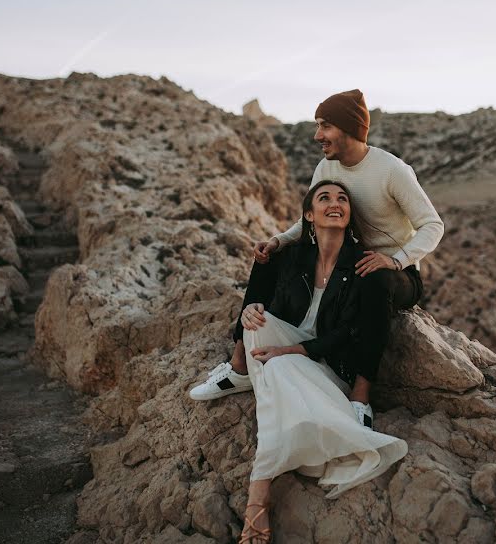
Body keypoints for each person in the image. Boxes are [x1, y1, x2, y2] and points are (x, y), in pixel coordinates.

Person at [190, 89, 444, 430]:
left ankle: (360, 395)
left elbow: (432, 225)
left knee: (374, 281)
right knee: (271, 258)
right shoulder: (326, 167)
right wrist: (278, 241)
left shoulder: (391, 170)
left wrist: (395, 260)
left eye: (324, 125)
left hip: (395, 275)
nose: (317, 135)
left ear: (348, 127)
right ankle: (239, 365)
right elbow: (308, 216)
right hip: (348, 263)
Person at [222, 180, 409, 543]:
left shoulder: (361, 265)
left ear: (350, 215)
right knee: (257, 327)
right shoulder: (293, 258)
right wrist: (252, 312)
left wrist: (297, 352)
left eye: (343, 199)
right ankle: (285, 401)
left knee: (276, 365)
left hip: (328, 364)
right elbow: (276, 308)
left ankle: (257, 496)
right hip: (292, 354)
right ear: (309, 214)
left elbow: (352, 332)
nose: (335, 203)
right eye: (324, 198)